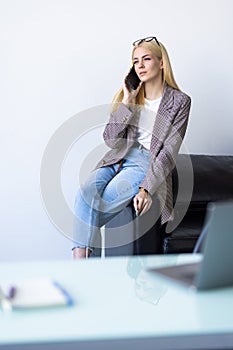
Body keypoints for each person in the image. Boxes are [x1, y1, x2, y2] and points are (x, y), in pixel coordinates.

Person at [72, 36, 191, 259]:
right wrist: (127, 100)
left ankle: (81, 263)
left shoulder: (180, 101)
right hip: (117, 159)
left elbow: (168, 153)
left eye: (146, 59)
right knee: (85, 193)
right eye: (136, 61)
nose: (141, 66)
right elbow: (110, 140)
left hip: (147, 160)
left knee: (96, 204)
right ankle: (84, 263)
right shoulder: (131, 96)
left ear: (161, 62)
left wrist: (146, 188)